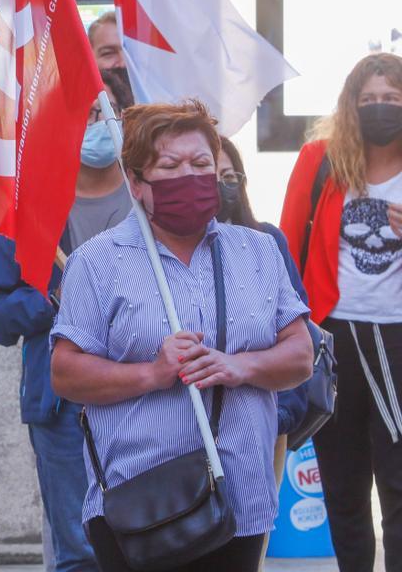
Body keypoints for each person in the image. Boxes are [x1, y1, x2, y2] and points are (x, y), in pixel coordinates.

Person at [51, 100, 313, 572]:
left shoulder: (256, 251)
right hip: (140, 502)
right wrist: (152, 373)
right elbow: (66, 373)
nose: (189, 177)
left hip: (241, 495)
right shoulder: (96, 262)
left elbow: (300, 355)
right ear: (136, 183)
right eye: (169, 167)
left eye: (201, 164)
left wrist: (242, 367)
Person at [0, 68, 134, 572]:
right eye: (78, 115)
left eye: (101, 112)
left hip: (149, 394)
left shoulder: (149, 201)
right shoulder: (36, 212)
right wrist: (49, 299)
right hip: (64, 411)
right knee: (81, 549)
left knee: (152, 541)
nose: (91, 125)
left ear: (123, 118)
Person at [280, 52, 402, 572]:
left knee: (399, 483)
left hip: (397, 341)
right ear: (351, 105)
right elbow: (284, 249)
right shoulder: (320, 160)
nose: (379, 108)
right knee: (343, 483)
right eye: (368, 99)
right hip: (329, 339)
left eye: (391, 100)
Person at [216, 137, 311, 565]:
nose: (220, 185)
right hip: (186, 429)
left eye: (228, 175)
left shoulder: (265, 241)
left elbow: (297, 337)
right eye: (208, 174)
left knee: (247, 546)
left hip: (261, 424)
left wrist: (281, 416)